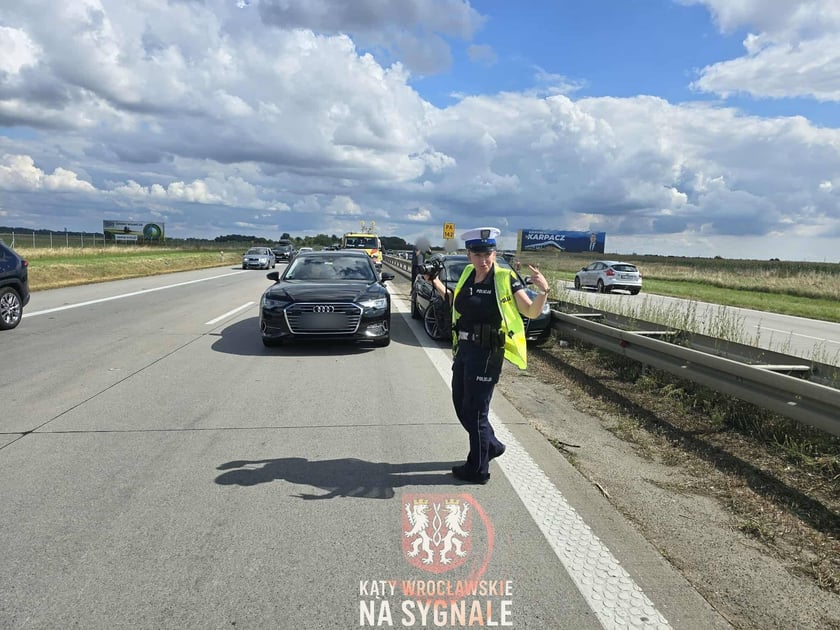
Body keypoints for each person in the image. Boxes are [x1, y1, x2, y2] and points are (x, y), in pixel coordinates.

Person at [425, 227, 552, 484]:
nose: (484, 260)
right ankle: (491, 445)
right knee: (461, 404)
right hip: (464, 351)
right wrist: (434, 281)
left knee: (476, 412)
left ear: (494, 254)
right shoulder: (469, 275)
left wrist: (543, 291)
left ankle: (478, 469)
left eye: (489, 254)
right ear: (469, 254)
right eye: (478, 254)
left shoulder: (505, 278)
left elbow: (531, 312)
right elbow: (456, 303)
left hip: (487, 353)